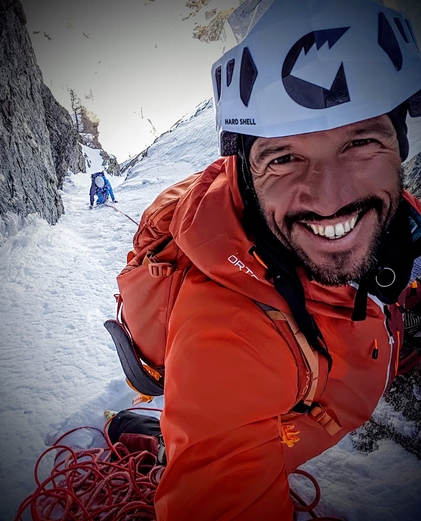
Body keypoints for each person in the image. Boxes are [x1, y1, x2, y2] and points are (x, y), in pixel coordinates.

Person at [152, 0, 421, 519]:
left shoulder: (399, 219)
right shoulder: (227, 340)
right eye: (284, 157)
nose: (328, 198)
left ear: (399, 148)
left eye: (361, 141)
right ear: (249, 179)